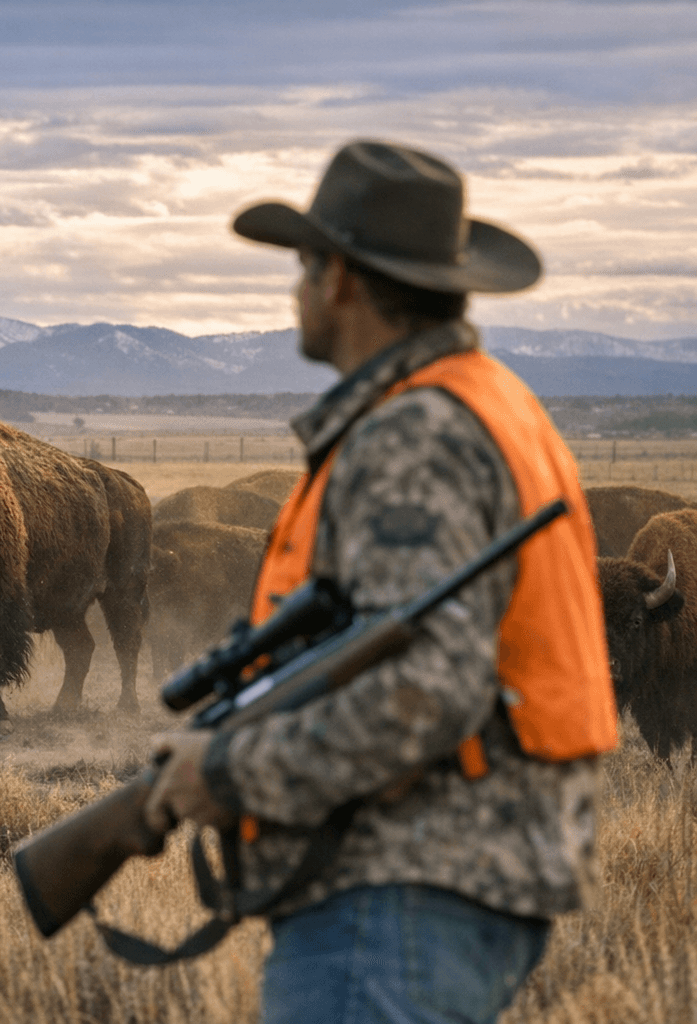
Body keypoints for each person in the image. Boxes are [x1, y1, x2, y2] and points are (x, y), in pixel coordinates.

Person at [145, 141, 619, 1024]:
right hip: (454, 880)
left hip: (396, 888)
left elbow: (426, 689)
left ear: (344, 282)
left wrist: (232, 770)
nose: (294, 289)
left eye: (304, 264)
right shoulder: (490, 401)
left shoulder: (412, 437)